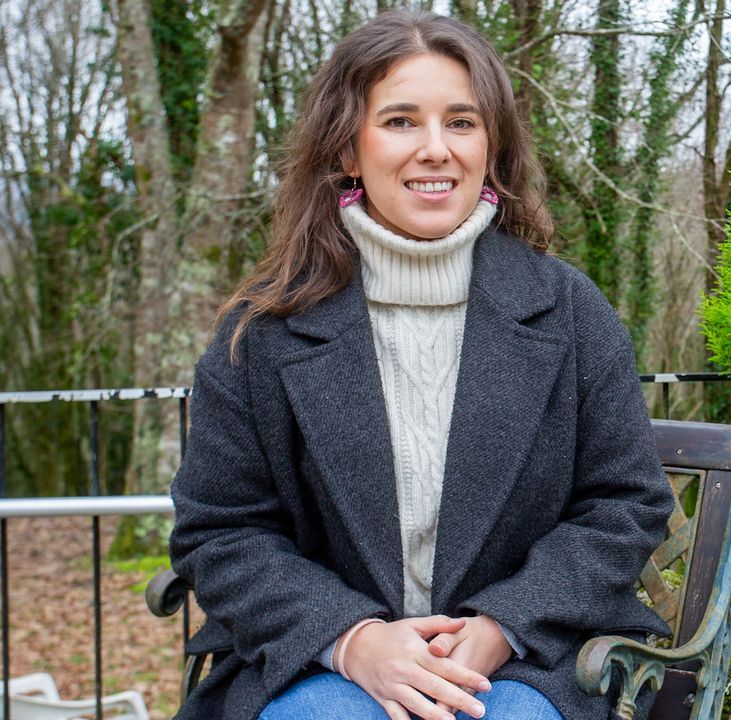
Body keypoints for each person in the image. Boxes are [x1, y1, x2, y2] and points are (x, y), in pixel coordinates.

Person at [168, 10, 673, 720]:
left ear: (490, 145)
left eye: (461, 123)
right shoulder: (263, 331)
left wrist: (502, 625)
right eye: (401, 121)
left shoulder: (567, 310)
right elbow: (221, 534)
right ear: (348, 147)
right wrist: (353, 640)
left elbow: (625, 506)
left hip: (528, 662)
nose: (435, 149)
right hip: (320, 664)